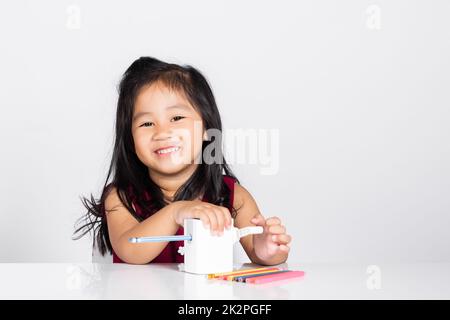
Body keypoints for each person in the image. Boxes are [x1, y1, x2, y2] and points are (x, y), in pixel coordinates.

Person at [73, 56, 291, 265]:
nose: (162, 132)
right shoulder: (120, 196)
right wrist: (176, 212)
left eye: (176, 118)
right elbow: (129, 250)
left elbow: (259, 252)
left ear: (206, 128)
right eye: (147, 123)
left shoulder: (232, 195)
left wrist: (267, 250)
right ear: (130, 139)